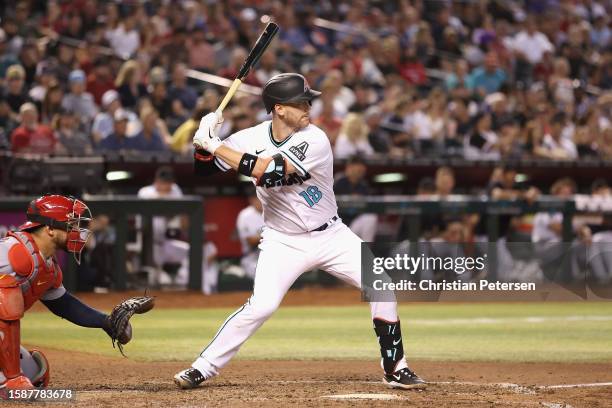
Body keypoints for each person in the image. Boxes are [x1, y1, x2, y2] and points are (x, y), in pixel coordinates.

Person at [174, 73, 425, 390]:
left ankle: (396, 367)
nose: (309, 106)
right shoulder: (248, 138)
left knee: (381, 284)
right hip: (283, 241)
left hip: (331, 235)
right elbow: (204, 172)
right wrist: (202, 143)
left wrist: (217, 145)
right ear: (279, 108)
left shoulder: (316, 139)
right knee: (262, 305)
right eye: (301, 101)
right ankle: (202, 367)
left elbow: (270, 171)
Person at [0, 195, 134, 390]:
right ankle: (10, 381)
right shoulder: (13, 251)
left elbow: (64, 305)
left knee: (35, 373)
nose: (77, 232)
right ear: (50, 229)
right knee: (6, 294)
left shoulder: (47, 267)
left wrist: (106, 321)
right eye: (70, 225)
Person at [236, 186, 264, 279]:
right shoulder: (245, 215)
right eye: (259, 197)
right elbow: (251, 241)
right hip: (252, 260)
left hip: (272, 258)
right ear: (251, 199)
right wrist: (272, 235)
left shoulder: (271, 212)